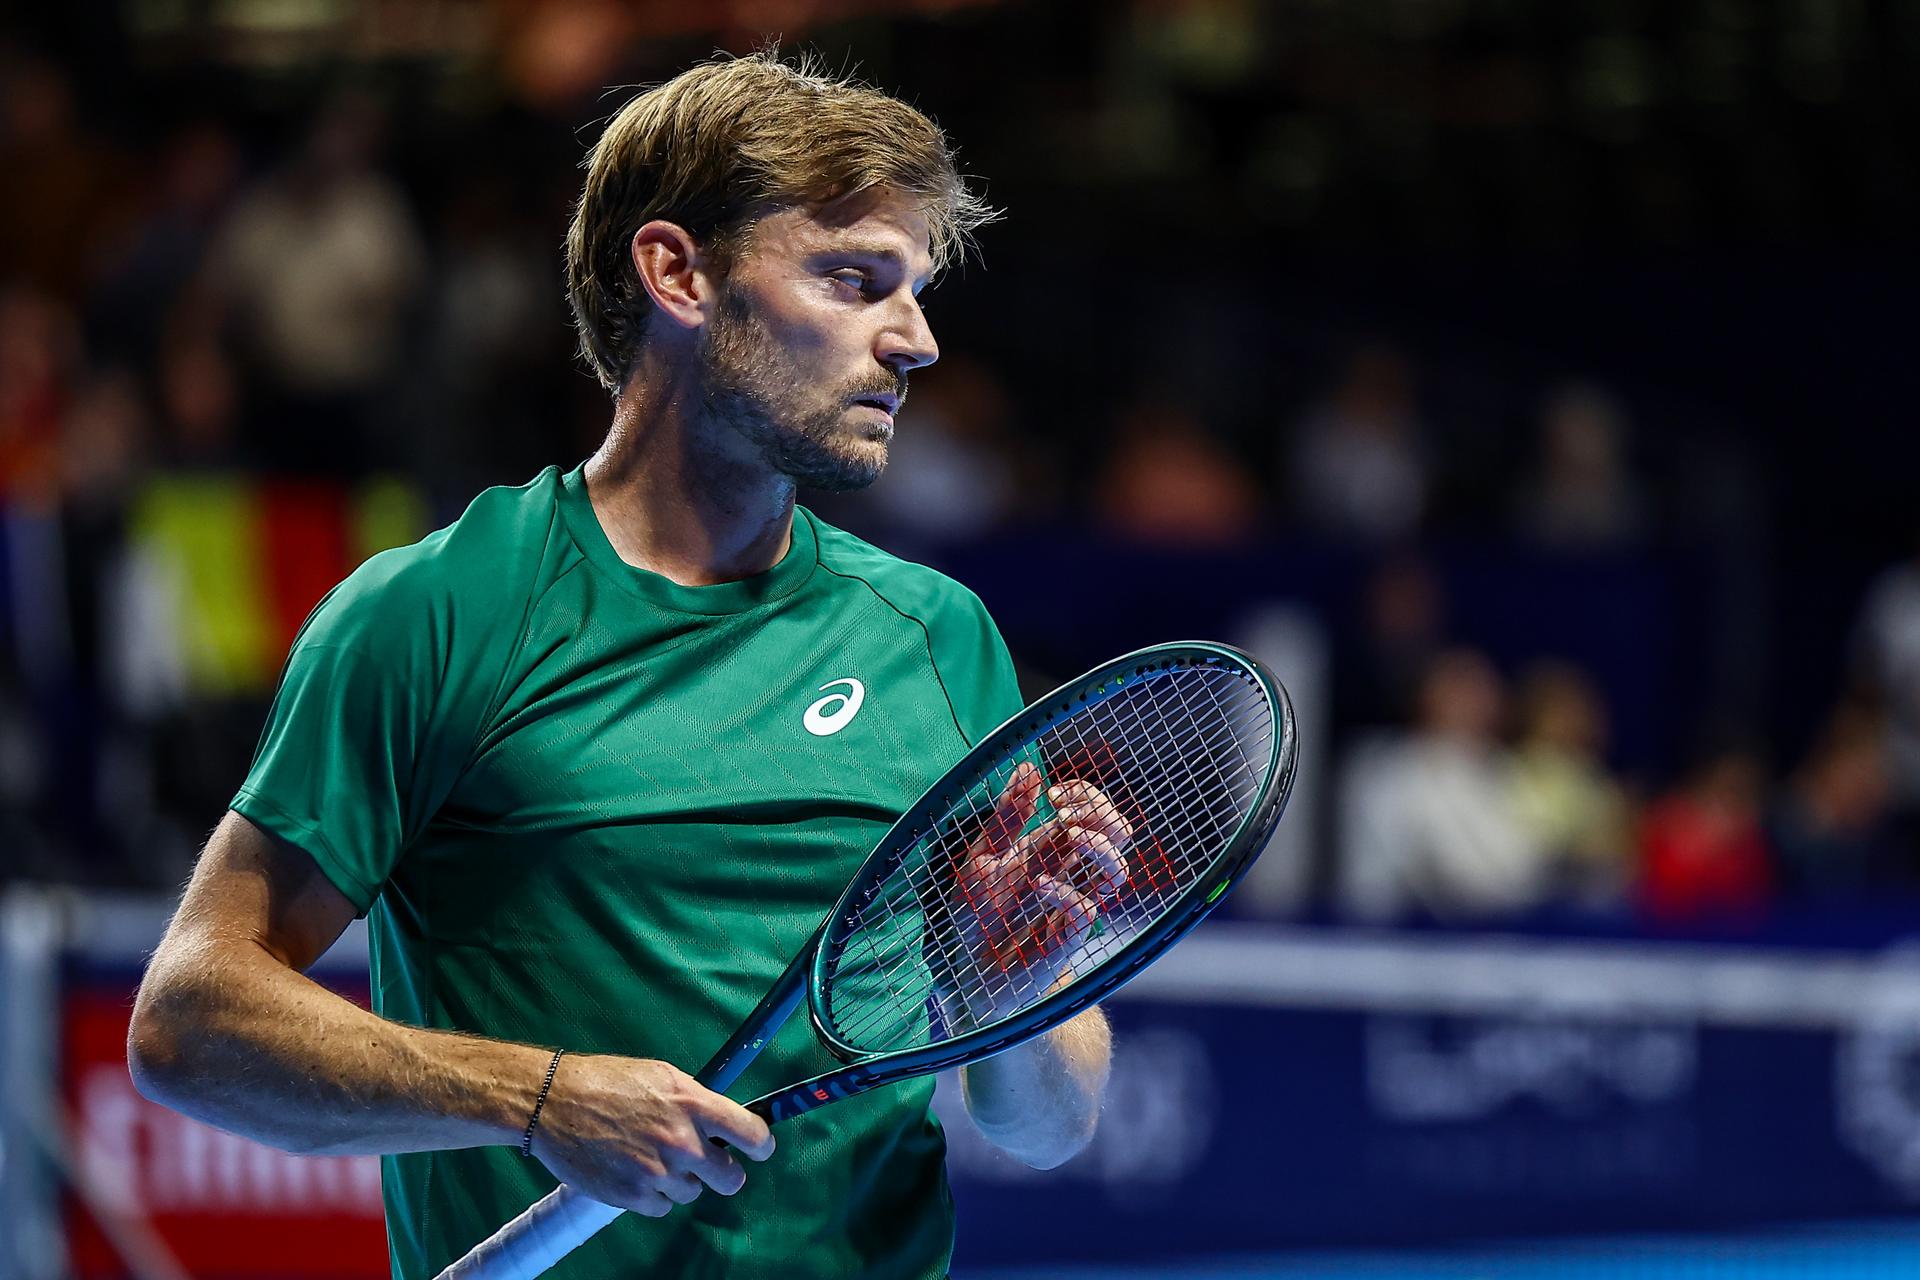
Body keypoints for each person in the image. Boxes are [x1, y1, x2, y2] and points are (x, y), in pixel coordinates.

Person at [127, 53, 1126, 1280]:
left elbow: (1049, 1121)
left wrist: (1002, 989)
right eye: (855, 278)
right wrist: (540, 1097)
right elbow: (190, 1017)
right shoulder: (437, 614)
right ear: (677, 273)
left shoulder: (939, 634)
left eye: (914, 288)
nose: (913, 339)